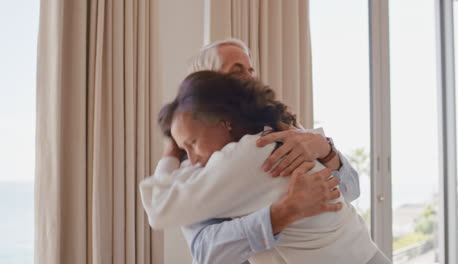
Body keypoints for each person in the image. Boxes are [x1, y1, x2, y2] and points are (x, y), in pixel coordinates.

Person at [140, 71, 391, 263]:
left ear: (223, 121)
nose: (193, 159)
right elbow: (205, 247)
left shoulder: (246, 158)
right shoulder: (270, 137)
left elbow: (159, 209)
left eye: (193, 143)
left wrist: (169, 155)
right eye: (185, 149)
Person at [170, 39, 362, 263]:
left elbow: (350, 191)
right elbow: (205, 252)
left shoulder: (283, 130)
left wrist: (326, 149)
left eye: (251, 70)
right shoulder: (197, 163)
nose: (250, 77)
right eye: (237, 71)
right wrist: (284, 212)